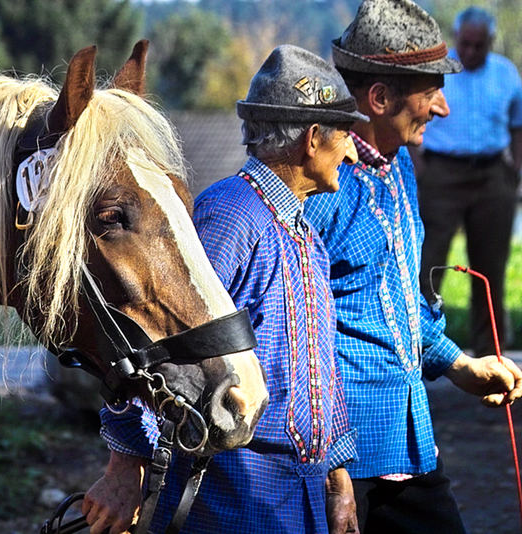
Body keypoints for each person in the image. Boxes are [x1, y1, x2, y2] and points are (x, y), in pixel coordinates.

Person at [82, 44, 365, 534]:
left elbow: (322, 366)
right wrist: (124, 466)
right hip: (232, 497)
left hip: (302, 496)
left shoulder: (306, 234)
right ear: (314, 139)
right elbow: (146, 343)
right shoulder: (230, 215)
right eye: (346, 134)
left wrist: (339, 482)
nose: (354, 150)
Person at [303, 1, 522, 532]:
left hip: (410, 444)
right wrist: (333, 476)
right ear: (379, 98)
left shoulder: (399, 163)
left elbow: (396, 299)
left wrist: (459, 365)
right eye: (431, 94)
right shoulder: (317, 187)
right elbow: (291, 333)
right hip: (343, 463)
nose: (443, 109)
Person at [415, 6, 522, 356]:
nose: (472, 52)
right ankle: (420, 347)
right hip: (441, 174)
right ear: (457, 40)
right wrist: (419, 168)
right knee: (427, 262)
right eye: (466, 44)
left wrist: (514, 169)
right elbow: (414, 119)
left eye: (480, 46)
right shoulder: (439, 70)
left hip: (492, 174)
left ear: (490, 43)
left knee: (490, 268)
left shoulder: (506, 75)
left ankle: (490, 354)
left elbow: (517, 126)